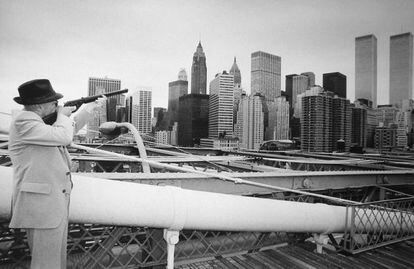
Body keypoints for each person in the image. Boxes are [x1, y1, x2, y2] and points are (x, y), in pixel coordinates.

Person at [8, 79, 104, 268]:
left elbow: (68, 130)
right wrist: (63, 115)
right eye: (53, 102)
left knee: (55, 262)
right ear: (40, 105)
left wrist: (89, 108)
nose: (57, 105)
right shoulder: (24, 121)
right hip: (42, 207)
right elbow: (64, 135)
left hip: (50, 205)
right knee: (46, 264)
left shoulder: (39, 125)